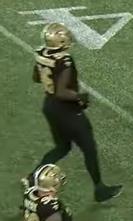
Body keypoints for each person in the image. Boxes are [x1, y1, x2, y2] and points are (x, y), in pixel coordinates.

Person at [25, 23, 122, 202]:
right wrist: (79, 96)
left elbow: (36, 77)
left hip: (50, 106)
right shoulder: (64, 60)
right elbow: (62, 92)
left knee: (62, 147)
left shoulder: (41, 53)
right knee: (89, 149)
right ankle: (99, 189)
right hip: (67, 110)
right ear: (61, 41)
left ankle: (33, 177)